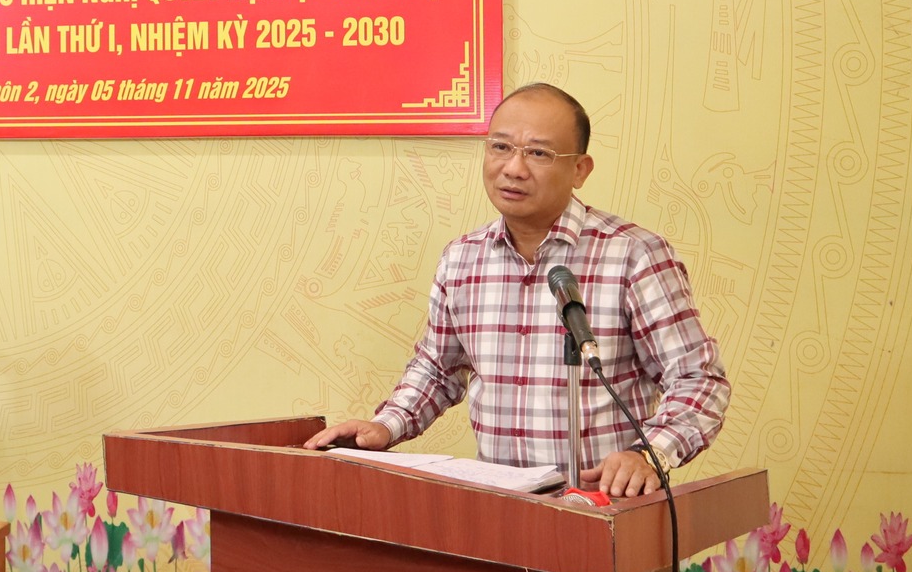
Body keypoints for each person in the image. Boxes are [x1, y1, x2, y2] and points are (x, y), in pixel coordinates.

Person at [305, 83, 731, 496]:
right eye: (500, 147)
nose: (513, 168)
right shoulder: (462, 259)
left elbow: (699, 379)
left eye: (538, 153)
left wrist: (649, 454)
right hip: (503, 513)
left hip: (605, 510)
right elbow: (438, 369)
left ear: (580, 169)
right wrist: (386, 426)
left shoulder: (634, 255)